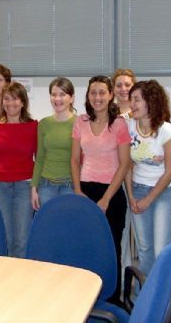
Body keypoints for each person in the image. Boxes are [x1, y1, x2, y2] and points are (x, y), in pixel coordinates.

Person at [71, 76, 130, 306]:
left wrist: (106, 199)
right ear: (88, 96)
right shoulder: (81, 122)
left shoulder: (119, 124)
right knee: (86, 245)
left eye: (102, 93)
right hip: (85, 191)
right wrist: (77, 191)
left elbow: (124, 164)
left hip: (111, 194)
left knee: (111, 248)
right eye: (93, 93)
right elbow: (74, 160)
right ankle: (87, 297)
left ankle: (112, 301)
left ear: (110, 95)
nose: (97, 97)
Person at [125, 80, 171, 278]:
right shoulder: (129, 126)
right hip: (138, 189)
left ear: (151, 101)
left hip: (163, 192)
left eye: (137, 100)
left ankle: (163, 302)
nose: (132, 104)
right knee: (144, 250)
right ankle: (143, 298)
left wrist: (148, 199)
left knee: (161, 250)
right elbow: (127, 165)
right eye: (131, 100)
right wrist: (131, 196)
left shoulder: (167, 130)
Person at [0, 82, 37, 258]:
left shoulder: (33, 126)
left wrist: (35, 187)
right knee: (5, 236)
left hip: (25, 186)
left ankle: (20, 277)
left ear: (22, 102)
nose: (10, 103)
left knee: (22, 238)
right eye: (6, 98)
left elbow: (39, 158)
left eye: (15, 98)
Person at [31, 77, 77, 210]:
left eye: (62, 94)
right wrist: (34, 188)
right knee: (48, 227)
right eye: (54, 94)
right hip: (46, 186)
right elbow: (39, 158)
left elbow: (81, 158)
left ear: (72, 98)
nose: (58, 99)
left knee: (68, 226)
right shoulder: (44, 124)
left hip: (70, 185)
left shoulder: (79, 123)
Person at [111, 68, 137, 277]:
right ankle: (118, 280)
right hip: (113, 179)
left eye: (127, 85)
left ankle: (130, 282)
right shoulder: (107, 114)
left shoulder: (139, 115)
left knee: (132, 236)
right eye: (118, 85)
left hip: (136, 180)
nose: (123, 89)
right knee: (118, 235)